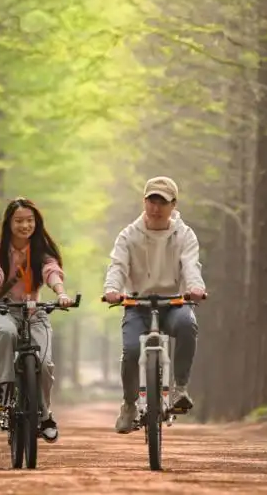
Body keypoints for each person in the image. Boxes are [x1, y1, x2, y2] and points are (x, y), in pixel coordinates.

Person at [103, 176, 207, 433]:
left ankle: (179, 389)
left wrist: (195, 288)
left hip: (173, 302)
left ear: (174, 204)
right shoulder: (129, 235)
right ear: (144, 201)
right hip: (137, 303)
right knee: (131, 351)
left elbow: (191, 264)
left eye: (163, 202)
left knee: (187, 325)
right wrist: (112, 289)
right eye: (152, 200)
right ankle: (129, 403)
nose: (156, 207)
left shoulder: (184, 234)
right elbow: (118, 265)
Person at [0, 197, 74, 442]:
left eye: (30, 220)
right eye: (19, 221)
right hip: (3, 309)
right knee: (6, 333)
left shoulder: (42, 250)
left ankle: (44, 414)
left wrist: (61, 293)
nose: (25, 226)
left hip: (34, 312)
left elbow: (51, 271)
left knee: (45, 364)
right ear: (8, 223)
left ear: (37, 222)